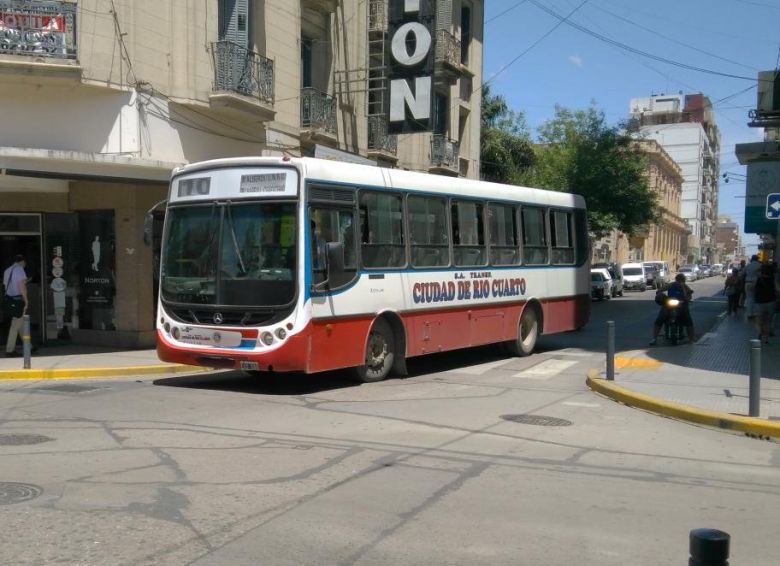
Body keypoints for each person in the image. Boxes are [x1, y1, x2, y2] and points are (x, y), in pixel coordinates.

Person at [650, 273, 694, 345]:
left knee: (688, 320)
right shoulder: (671, 285)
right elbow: (663, 288)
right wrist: (659, 291)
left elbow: (689, 294)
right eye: (678, 280)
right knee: (660, 318)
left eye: (681, 280)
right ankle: (654, 338)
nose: (679, 282)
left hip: (681, 305)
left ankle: (691, 339)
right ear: (676, 280)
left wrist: (687, 298)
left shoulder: (685, 287)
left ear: (683, 281)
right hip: (669, 304)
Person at [3, 255, 28, 357]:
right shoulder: (19, 270)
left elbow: (6, 285)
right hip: (17, 300)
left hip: (9, 300)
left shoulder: (7, 270)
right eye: (25, 263)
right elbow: (21, 285)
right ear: (22, 261)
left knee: (20, 323)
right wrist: (26, 299)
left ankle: (29, 346)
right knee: (15, 325)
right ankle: (10, 350)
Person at [753, 263, 776, 344]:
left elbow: (753, 288)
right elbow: (778, 289)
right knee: (768, 321)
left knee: (759, 320)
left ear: (762, 271)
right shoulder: (773, 278)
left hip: (759, 302)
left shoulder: (758, 278)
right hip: (771, 302)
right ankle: (766, 338)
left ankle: (759, 332)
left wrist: (760, 270)